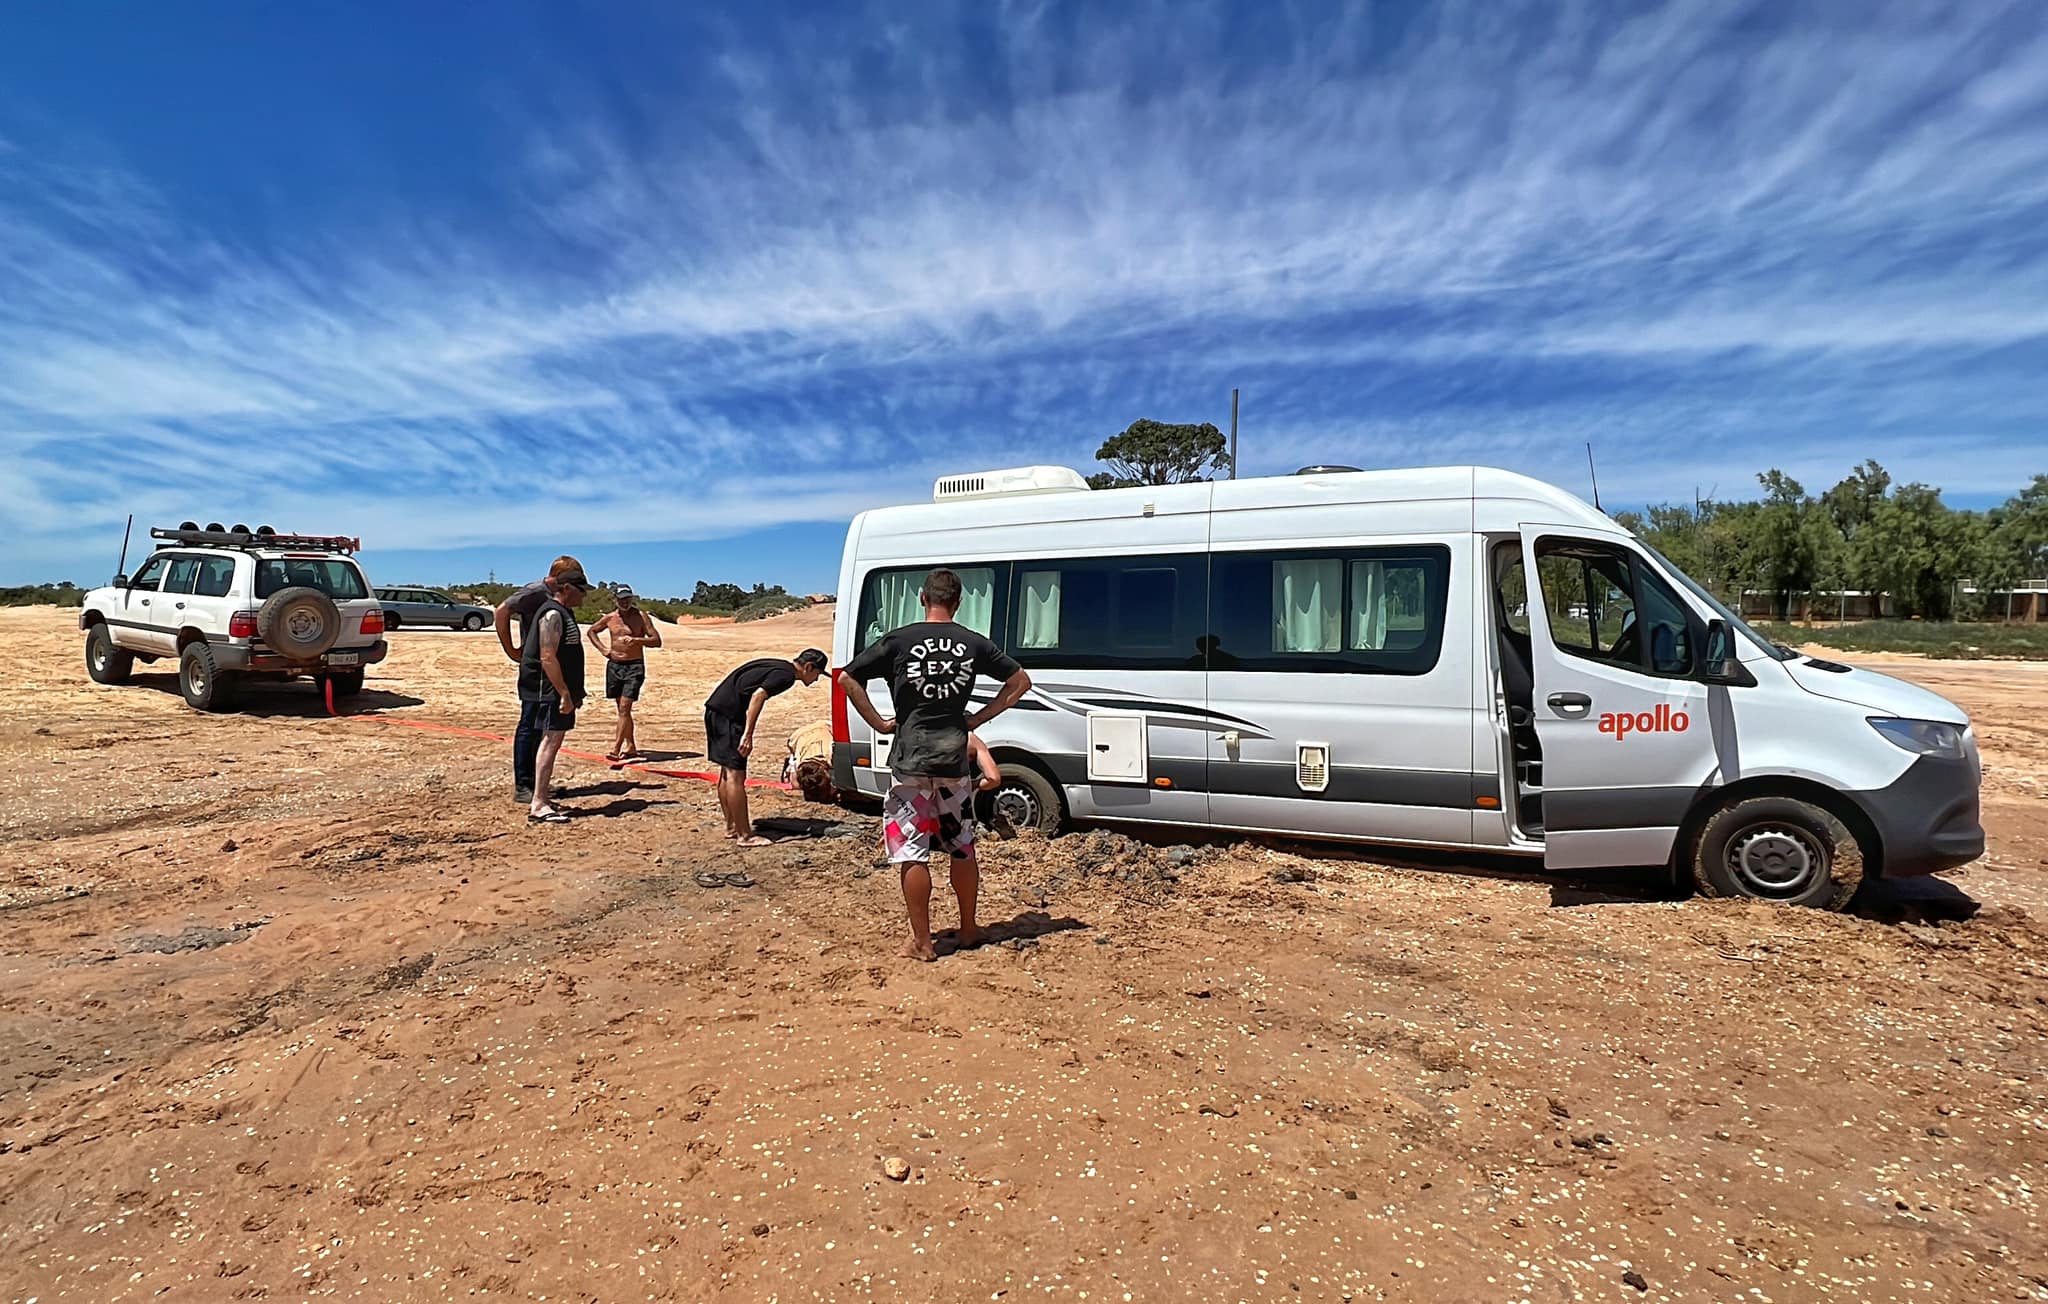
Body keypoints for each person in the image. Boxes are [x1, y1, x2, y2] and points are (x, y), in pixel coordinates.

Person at [837, 568, 1032, 962]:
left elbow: (846, 678)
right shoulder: (973, 642)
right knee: (961, 848)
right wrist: (977, 719)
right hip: (953, 761)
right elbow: (1020, 682)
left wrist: (879, 722)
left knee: (912, 851)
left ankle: (923, 942)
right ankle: (969, 928)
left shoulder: (899, 640)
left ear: (923, 599)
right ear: (958, 603)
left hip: (909, 762)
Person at [705, 648, 830, 845]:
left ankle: (732, 827)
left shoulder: (778, 666)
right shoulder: (786, 676)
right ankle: (745, 836)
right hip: (729, 717)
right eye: (817, 674)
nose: (815, 680)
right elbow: (758, 696)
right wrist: (748, 734)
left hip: (716, 711)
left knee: (726, 773)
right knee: (735, 776)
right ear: (808, 667)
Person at [495, 556, 585, 805]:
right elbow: (502, 611)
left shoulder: (557, 601)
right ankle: (524, 785)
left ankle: (536, 784)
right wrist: (512, 650)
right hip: (539, 670)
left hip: (550, 668)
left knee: (542, 728)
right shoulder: (536, 592)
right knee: (529, 726)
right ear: (561, 580)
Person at [518, 566, 591, 823]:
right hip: (549, 692)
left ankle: (542, 798)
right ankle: (538, 803)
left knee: (551, 742)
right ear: (568, 588)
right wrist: (563, 693)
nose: (584, 597)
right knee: (549, 742)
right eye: (581, 591)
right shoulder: (552, 613)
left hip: (557, 691)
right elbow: (547, 656)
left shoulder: (562, 612)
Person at [587, 584, 662, 763]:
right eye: (621, 599)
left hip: (634, 666)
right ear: (615, 600)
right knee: (622, 709)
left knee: (624, 708)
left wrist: (636, 640)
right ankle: (631, 746)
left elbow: (656, 641)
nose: (625, 602)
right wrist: (604, 650)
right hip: (615, 666)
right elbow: (592, 632)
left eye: (627, 598)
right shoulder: (610, 618)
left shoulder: (641, 617)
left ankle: (616, 748)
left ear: (632, 598)